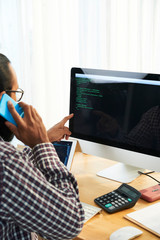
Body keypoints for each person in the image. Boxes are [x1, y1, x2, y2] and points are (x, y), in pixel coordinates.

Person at [0, 53, 84, 240]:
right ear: (3, 100)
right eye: (16, 93)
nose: (17, 99)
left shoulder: (8, 161)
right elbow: (71, 223)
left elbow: (17, 173)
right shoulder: (4, 162)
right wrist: (43, 144)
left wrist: (43, 138)